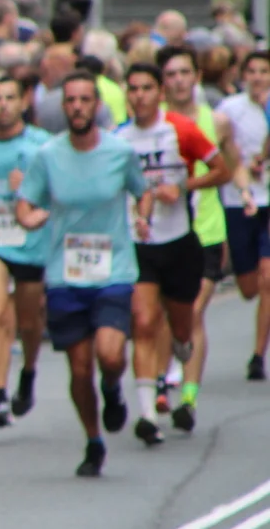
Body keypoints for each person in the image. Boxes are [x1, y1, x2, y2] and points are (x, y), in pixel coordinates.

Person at [15, 72, 154, 478]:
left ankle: (112, 388)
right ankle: (93, 440)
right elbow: (25, 203)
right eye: (71, 100)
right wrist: (29, 218)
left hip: (113, 270)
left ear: (97, 105)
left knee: (109, 355)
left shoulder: (119, 152)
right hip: (65, 273)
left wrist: (143, 217)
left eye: (84, 100)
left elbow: (142, 190)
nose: (77, 107)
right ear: (64, 107)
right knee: (79, 369)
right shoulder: (48, 155)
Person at [115, 59, 226, 446]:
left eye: (147, 88)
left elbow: (221, 169)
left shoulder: (180, 129)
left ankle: (182, 356)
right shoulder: (119, 139)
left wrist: (182, 188)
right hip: (140, 244)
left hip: (179, 241)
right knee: (144, 321)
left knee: (182, 326)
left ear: (159, 93)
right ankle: (147, 413)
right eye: (133, 89)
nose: (139, 96)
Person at [0, 75, 50, 427]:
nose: (3, 105)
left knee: (29, 322)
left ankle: (28, 372)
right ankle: (0, 397)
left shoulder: (42, 144)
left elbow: (57, 187)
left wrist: (29, 187)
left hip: (31, 239)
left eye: (10, 98)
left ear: (23, 102)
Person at [163, 46, 232, 429]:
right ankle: (160, 382)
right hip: (163, 233)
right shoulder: (153, 124)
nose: (178, 81)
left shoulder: (216, 121)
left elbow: (231, 166)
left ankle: (188, 399)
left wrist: (244, 188)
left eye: (184, 73)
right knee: (166, 313)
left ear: (197, 76)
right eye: (171, 74)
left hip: (206, 228)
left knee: (193, 311)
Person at [216, 50, 270, 379]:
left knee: (268, 278)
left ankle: (258, 355)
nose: (258, 77)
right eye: (252, 71)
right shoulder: (230, 109)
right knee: (249, 287)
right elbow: (220, 149)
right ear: (243, 75)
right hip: (239, 200)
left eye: (264, 71)